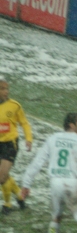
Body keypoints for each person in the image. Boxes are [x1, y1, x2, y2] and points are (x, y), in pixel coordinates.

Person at [0, 78, 32, 215]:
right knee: (4, 175)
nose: (5, 91)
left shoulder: (14, 106)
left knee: (1, 176)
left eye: (6, 88)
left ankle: (7, 204)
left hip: (10, 144)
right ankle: (19, 196)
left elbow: (24, 123)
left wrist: (29, 139)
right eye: (2, 88)